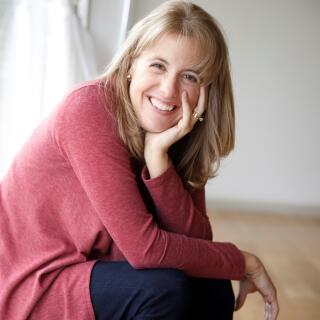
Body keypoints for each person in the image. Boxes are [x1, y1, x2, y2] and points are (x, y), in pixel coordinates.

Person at [0, 1, 279, 319]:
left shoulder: (179, 133)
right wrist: (244, 262)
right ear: (132, 64)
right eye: (158, 66)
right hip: (35, 283)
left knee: (211, 284)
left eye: (189, 76)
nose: (169, 89)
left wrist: (159, 161)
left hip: (95, 270)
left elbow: (197, 243)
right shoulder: (90, 109)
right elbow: (144, 248)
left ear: (206, 91)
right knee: (163, 290)